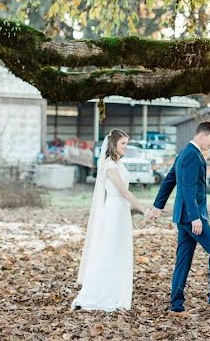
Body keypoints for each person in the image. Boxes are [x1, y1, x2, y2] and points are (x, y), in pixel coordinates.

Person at [146, 121, 210, 315]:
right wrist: (195, 217)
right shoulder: (191, 155)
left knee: (183, 260)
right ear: (202, 135)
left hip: (184, 217)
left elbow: (169, 181)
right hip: (191, 217)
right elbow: (186, 187)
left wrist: (157, 206)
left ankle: (176, 307)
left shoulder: (185, 153)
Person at [72, 129, 145, 311]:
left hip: (121, 211)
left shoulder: (119, 164)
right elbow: (123, 191)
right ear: (113, 144)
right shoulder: (110, 166)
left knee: (120, 250)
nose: (126, 147)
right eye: (123, 144)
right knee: (109, 250)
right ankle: (100, 292)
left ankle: (117, 291)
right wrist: (144, 209)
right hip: (113, 211)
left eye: (127, 144)